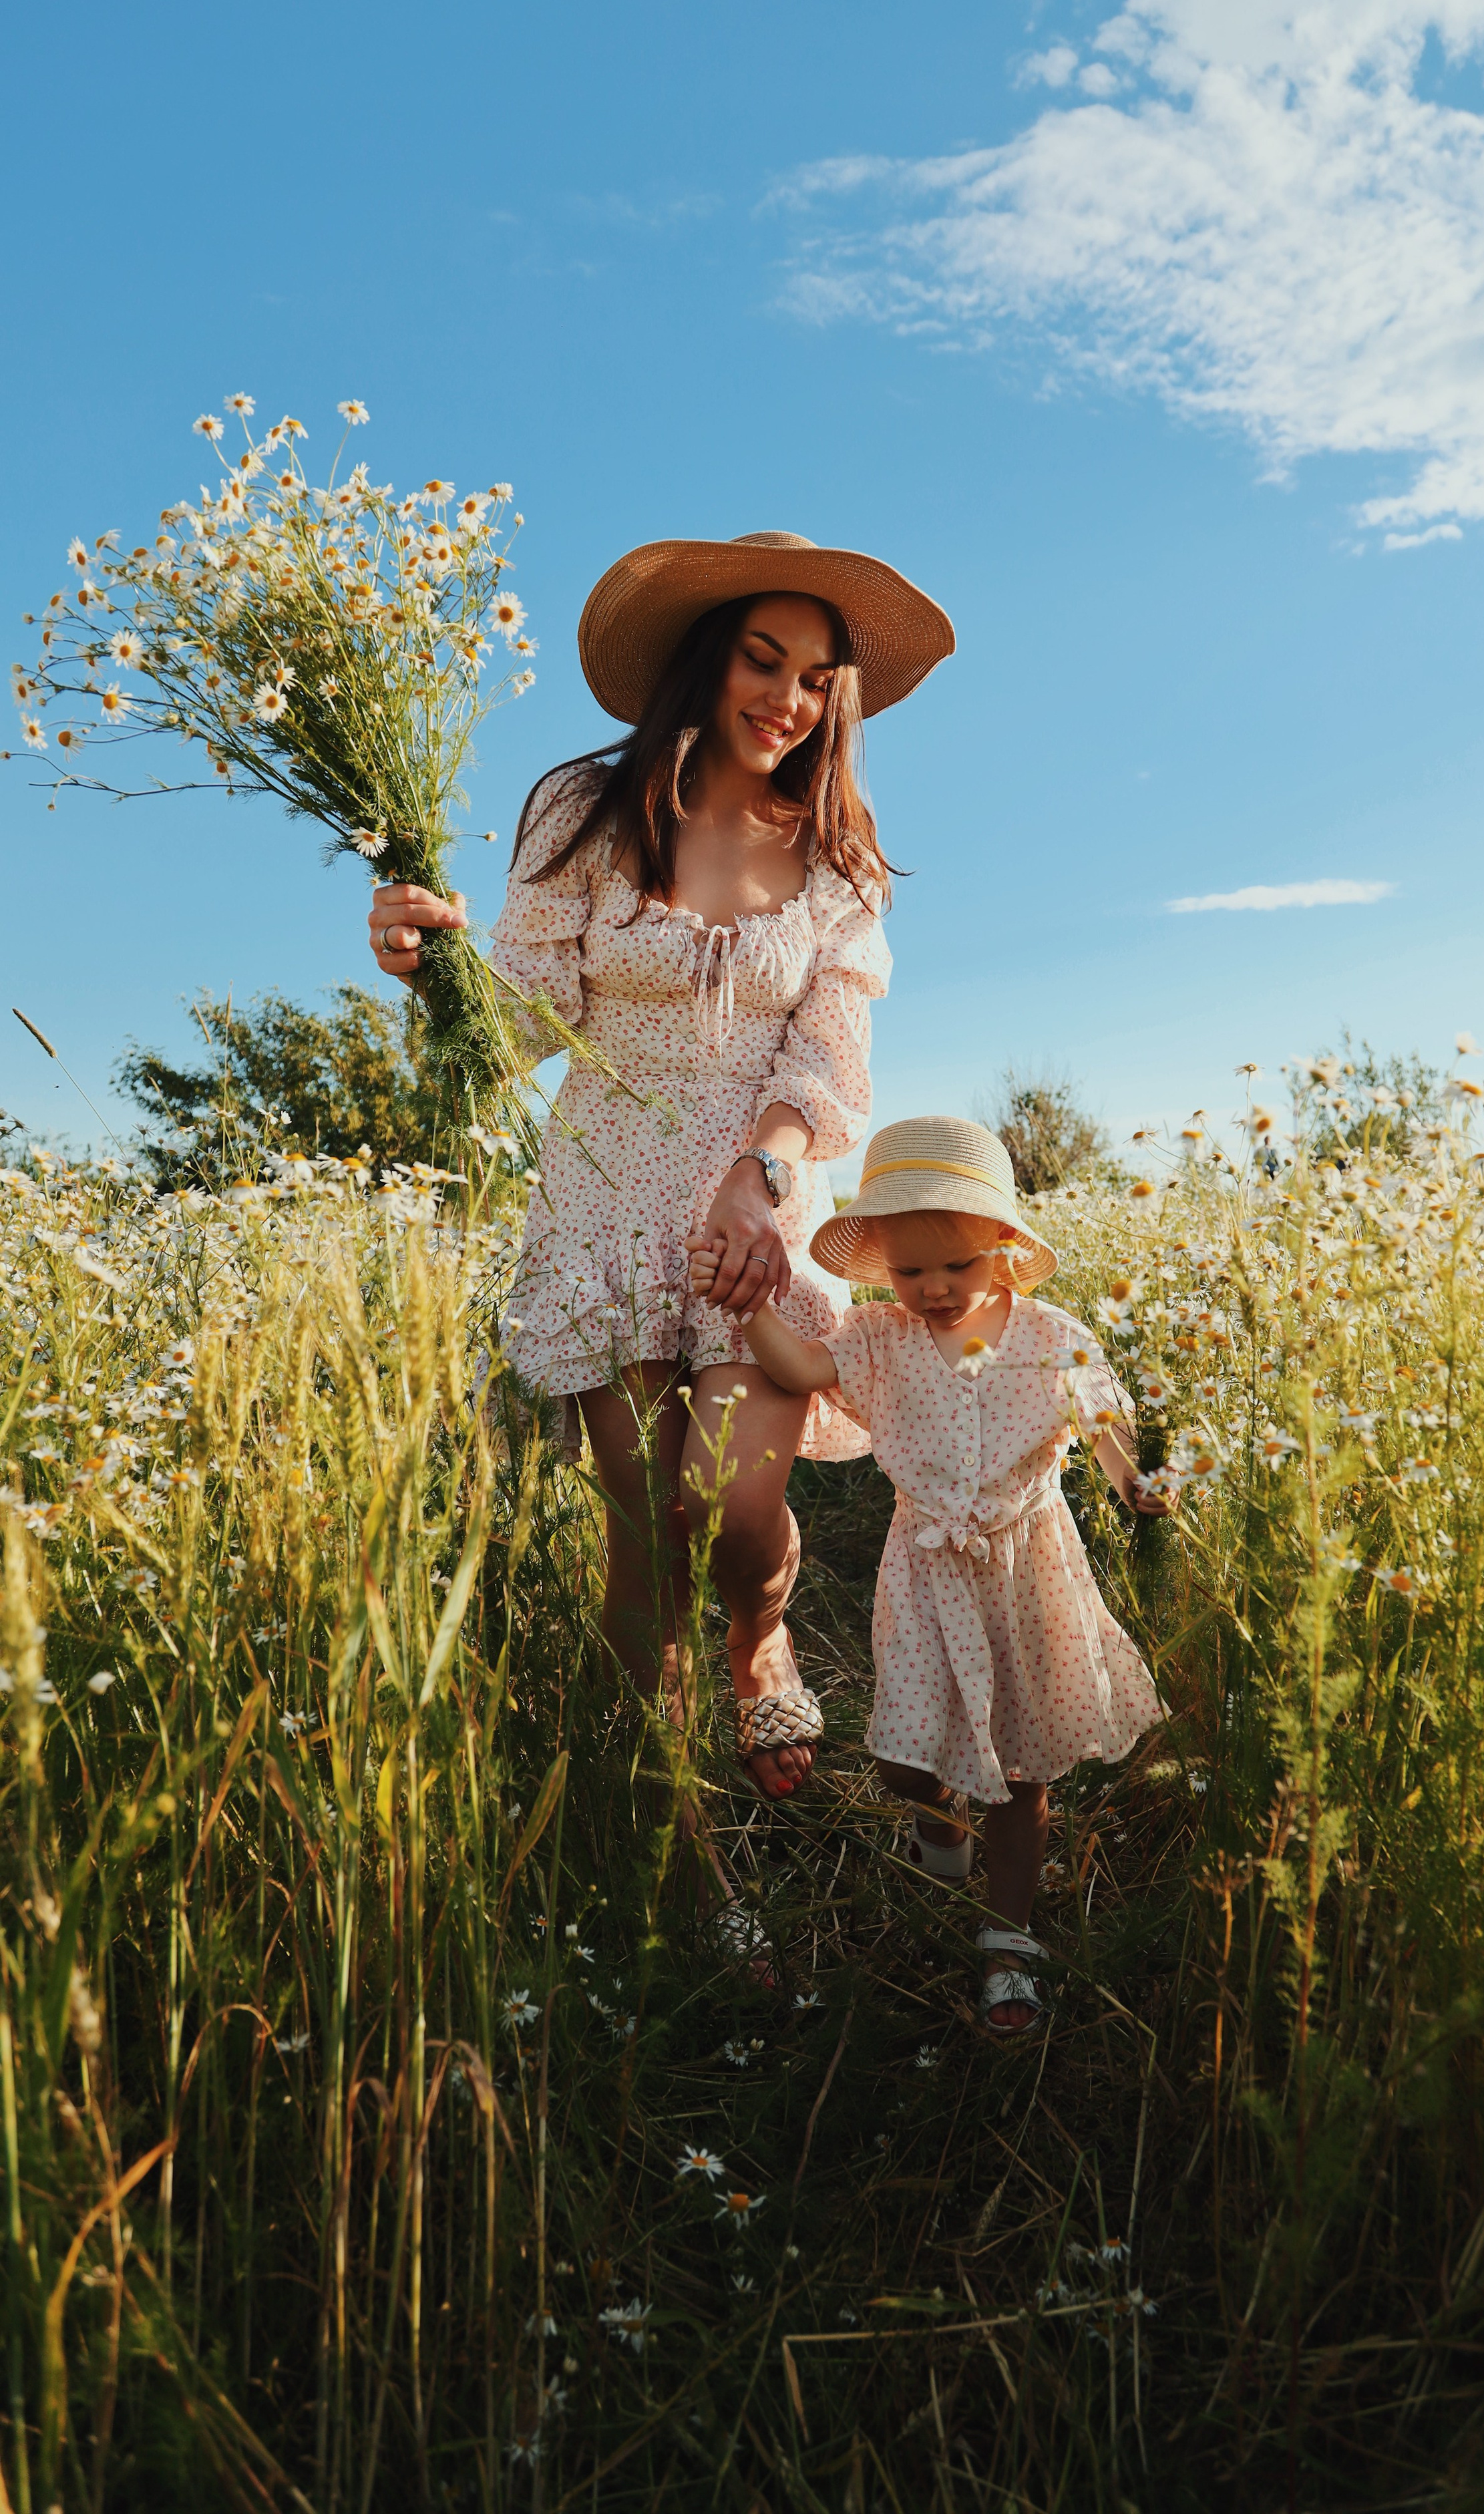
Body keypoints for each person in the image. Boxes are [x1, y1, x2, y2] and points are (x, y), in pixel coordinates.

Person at [365, 532, 953, 1863]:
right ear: (708, 659)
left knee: (741, 1509)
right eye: (763, 659)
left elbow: (829, 1053)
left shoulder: (837, 860)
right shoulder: (580, 808)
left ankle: (757, 1644)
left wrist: (763, 1175)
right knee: (649, 1520)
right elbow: (520, 1023)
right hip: (602, 1204)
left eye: (816, 676)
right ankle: (669, 1813)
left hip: (758, 1207)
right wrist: (430, 972)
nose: (788, 698)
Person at [690, 1114, 1169, 2035]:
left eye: (953, 1267)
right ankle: (942, 1814)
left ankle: (1007, 1944)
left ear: (1002, 1245)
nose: (933, 1289)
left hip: (1029, 1564)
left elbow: (1103, 1420)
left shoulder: (1047, 1331)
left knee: (1026, 1771)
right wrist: (748, 1306)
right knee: (902, 1758)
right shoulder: (880, 1340)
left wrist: (1133, 1487)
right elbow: (796, 1364)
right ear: (883, 1268)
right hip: (923, 1566)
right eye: (909, 1272)